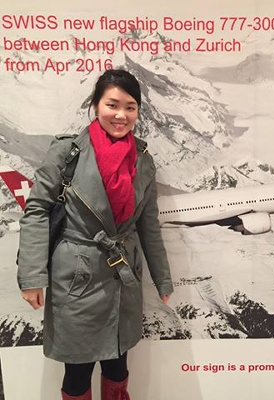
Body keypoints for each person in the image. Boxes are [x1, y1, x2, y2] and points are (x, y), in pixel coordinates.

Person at [17, 69, 173, 400]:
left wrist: (163, 279)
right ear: (95, 105)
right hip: (77, 277)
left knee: (118, 364)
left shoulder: (143, 160)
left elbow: (148, 224)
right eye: (112, 105)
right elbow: (37, 211)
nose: (121, 115)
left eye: (130, 107)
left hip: (123, 277)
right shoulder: (67, 153)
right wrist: (31, 277)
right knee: (78, 370)